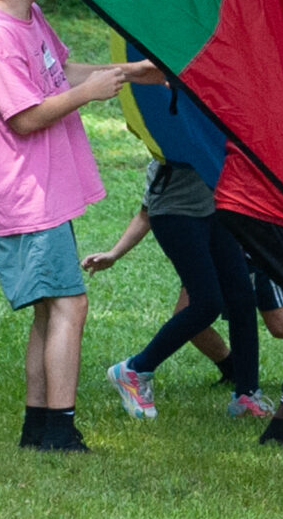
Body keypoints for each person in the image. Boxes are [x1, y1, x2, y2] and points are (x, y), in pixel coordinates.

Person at [0, 0, 156, 453]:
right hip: (26, 195)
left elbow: (62, 70)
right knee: (71, 307)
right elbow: (24, 117)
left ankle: (39, 428)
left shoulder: (31, 18)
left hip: (47, 192)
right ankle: (59, 431)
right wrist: (92, 95)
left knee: (52, 310)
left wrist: (128, 72)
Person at [85, 150, 268, 422]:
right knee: (207, 304)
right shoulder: (167, 151)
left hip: (215, 212)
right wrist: (114, 253)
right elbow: (146, 214)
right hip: (176, 215)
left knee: (241, 298)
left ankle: (246, 395)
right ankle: (134, 370)